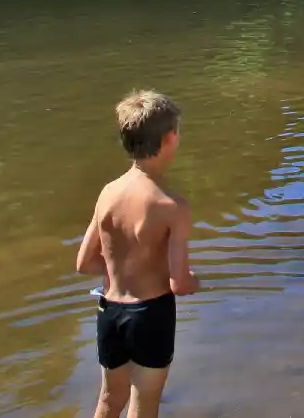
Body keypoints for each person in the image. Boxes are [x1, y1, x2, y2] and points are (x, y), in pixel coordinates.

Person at [76, 90, 200, 418]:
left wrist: (120, 270)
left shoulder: (108, 193)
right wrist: (195, 281)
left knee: (108, 400)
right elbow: (179, 283)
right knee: (144, 404)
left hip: (110, 311)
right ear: (171, 138)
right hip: (150, 316)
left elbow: (84, 262)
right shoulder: (173, 207)